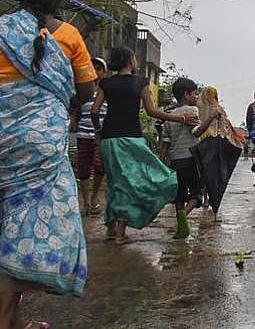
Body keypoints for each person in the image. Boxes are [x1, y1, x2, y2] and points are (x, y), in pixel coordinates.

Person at [0, 0, 96, 326]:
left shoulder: (2, 28)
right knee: (20, 223)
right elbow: (86, 91)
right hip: (41, 144)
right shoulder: (69, 35)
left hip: (2, 135)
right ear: (57, 1)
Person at [91, 47, 198, 245]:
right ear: (130, 61)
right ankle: (121, 231)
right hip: (132, 139)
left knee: (116, 182)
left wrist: (98, 131)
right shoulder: (140, 82)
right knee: (138, 181)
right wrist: (179, 117)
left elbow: (95, 111)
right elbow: (152, 111)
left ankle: (111, 228)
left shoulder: (106, 83)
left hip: (108, 139)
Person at [158, 78, 220, 239]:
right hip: (191, 159)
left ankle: (181, 228)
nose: (197, 96)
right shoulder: (192, 112)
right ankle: (184, 215)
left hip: (174, 161)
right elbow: (198, 132)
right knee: (197, 194)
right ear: (186, 95)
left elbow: (165, 142)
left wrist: (161, 161)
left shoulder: (169, 115)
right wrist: (212, 116)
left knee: (179, 195)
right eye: (194, 93)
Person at [193, 87, 244, 213]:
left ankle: (205, 198)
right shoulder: (218, 109)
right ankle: (212, 198)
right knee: (213, 172)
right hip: (213, 143)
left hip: (200, 143)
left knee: (203, 171)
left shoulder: (197, 107)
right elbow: (225, 127)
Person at [70, 57, 108, 216]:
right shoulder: (82, 89)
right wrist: (73, 121)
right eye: (93, 68)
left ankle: (94, 198)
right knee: (84, 168)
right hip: (84, 133)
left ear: (104, 72)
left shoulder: (107, 90)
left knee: (100, 167)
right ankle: (86, 203)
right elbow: (76, 108)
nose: (96, 71)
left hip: (101, 134)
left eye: (99, 69)